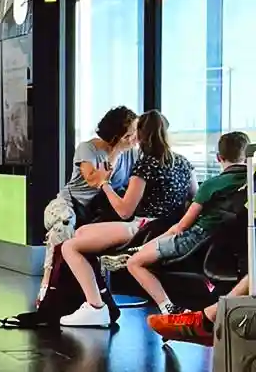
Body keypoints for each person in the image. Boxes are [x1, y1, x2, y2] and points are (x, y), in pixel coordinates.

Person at [59, 110, 196, 328]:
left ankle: (96, 307)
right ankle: (98, 297)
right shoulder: (184, 163)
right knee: (81, 233)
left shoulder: (145, 165)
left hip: (143, 227)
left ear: (140, 135)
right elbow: (193, 199)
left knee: (70, 247)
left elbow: (124, 210)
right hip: (167, 227)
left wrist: (105, 184)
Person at [124, 131, 251, 315]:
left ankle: (169, 309)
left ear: (219, 157)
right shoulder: (251, 185)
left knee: (135, 262)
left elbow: (182, 227)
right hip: (228, 248)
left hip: (195, 240)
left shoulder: (211, 185)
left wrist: (149, 246)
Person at [38, 106, 137, 298]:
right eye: (128, 135)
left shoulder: (132, 153)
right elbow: (94, 179)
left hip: (99, 212)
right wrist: (115, 151)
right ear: (115, 136)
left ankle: (92, 293)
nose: (133, 139)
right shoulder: (88, 148)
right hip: (70, 205)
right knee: (64, 226)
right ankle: (47, 288)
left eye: (134, 134)